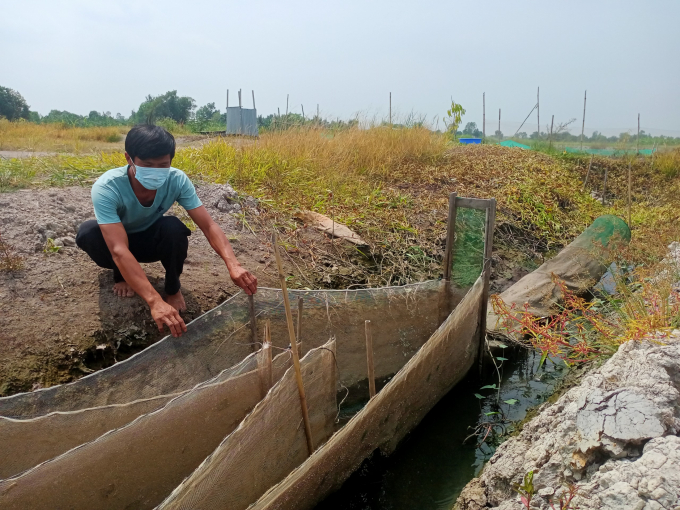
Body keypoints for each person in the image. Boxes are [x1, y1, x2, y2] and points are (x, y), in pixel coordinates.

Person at [76, 125, 257, 338]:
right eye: (147, 165)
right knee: (88, 232)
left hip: (149, 241)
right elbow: (117, 249)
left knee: (173, 228)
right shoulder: (107, 187)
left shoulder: (177, 179)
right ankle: (121, 276)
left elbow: (208, 225)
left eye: (163, 165)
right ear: (129, 159)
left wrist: (233, 265)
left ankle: (173, 288)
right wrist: (154, 301)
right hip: (117, 244)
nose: (155, 171)